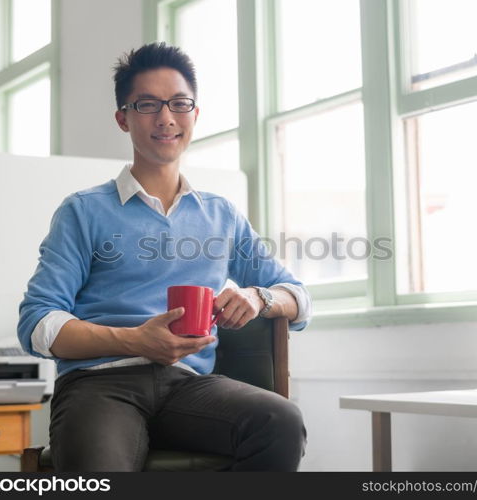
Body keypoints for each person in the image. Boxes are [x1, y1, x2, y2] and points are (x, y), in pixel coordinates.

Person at [18, 42, 311, 472]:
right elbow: (37, 323)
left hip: (189, 387)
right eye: (148, 105)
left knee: (280, 421)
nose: (166, 118)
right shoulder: (82, 211)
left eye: (179, 103)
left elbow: (299, 298)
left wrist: (258, 297)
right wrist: (134, 339)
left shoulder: (221, 214)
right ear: (123, 117)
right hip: (99, 384)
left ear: (195, 113)